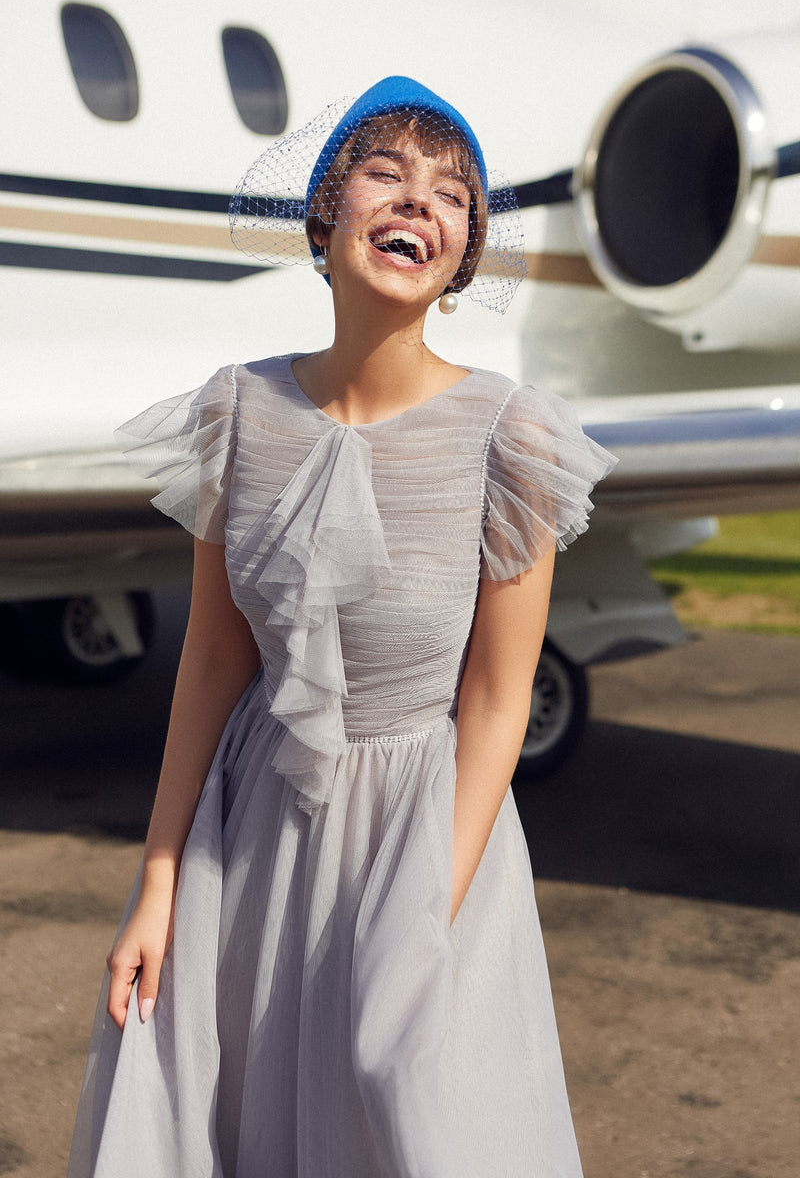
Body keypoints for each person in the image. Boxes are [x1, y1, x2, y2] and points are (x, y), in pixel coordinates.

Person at [68, 75, 615, 1178]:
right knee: (238, 1119)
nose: (417, 201)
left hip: (423, 827)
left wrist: (420, 915)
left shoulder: (511, 436)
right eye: (384, 173)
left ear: (461, 259)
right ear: (324, 217)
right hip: (250, 826)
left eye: (451, 193)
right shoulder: (236, 411)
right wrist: (160, 883)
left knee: (409, 1118)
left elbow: (498, 699)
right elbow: (216, 659)